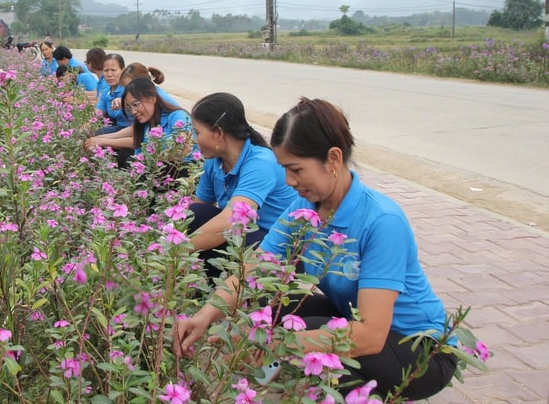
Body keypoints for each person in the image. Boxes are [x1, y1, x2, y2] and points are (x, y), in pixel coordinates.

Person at [174, 98, 458, 400]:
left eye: (296, 169)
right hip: (350, 316)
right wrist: (205, 315)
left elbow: (371, 335)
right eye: (284, 168)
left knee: (306, 333)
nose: (288, 180)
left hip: (420, 350)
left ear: (333, 159)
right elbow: (254, 268)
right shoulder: (304, 210)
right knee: (272, 308)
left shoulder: (382, 222)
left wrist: (280, 344)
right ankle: (266, 385)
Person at [187, 93, 301, 279]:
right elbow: (197, 211)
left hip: (276, 245)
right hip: (244, 236)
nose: (193, 139)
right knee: (197, 213)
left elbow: (231, 222)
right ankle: (212, 289)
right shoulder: (215, 163)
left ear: (218, 133)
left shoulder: (260, 163)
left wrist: (175, 252)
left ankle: (235, 295)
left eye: (197, 132)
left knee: (230, 235)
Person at [122, 77, 198, 166]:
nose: (133, 111)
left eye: (136, 104)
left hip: (182, 170)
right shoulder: (143, 127)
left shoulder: (177, 116)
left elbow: (185, 146)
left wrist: (155, 160)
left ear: (152, 99)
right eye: (129, 107)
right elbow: (138, 157)